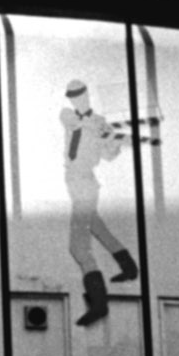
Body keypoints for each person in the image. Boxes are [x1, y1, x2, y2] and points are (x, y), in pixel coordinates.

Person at [59, 80, 139, 326]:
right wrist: (102, 130)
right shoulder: (69, 115)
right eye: (73, 97)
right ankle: (129, 267)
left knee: (79, 247)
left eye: (79, 95)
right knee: (97, 227)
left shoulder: (100, 123)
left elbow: (108, 155)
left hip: (85, 183)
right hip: (75, 182)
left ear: (86, 95)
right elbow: (74, 122)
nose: (76, 100)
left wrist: (116, 143)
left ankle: (99, 302)